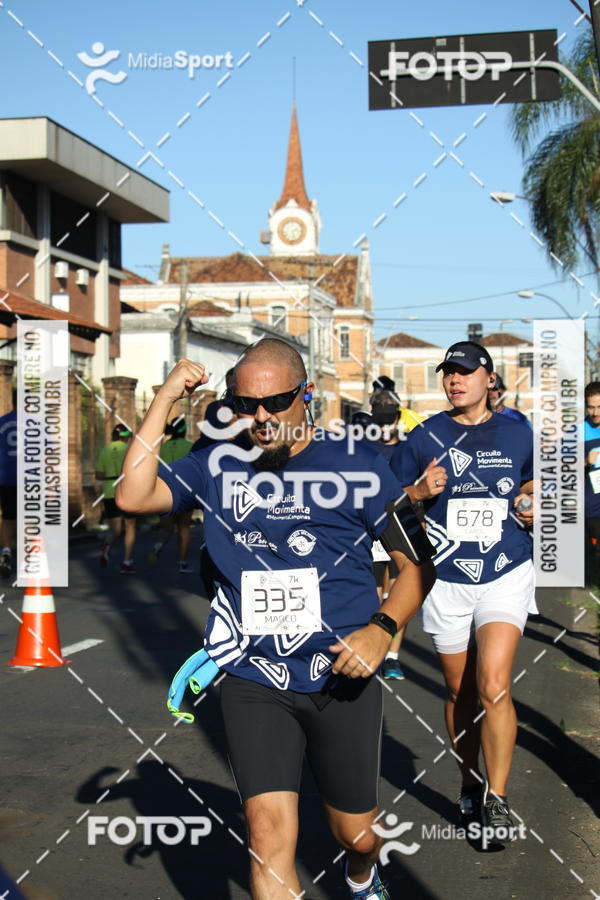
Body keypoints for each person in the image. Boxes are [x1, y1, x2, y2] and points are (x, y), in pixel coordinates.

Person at [116, 338, 435, 900]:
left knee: (358, 835)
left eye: (276, 402)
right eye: (246, 405)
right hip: (254, 676)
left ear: (305, 394)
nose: (261, 417)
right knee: (267, 835)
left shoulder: (360, 465)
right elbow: (133, 497)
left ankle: (362, 874)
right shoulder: (216, 464)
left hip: (340, 675)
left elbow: (416, 566)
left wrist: (381, 629)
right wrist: (165, 397)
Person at [392, 340, 535, 843]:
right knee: (460, 692)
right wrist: (417, 492)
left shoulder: (518, 431)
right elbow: (383, 502)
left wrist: (529, 502)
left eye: (465, 372)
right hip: (446, 579)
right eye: (448, 373)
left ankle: (498, 799)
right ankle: (470, 783)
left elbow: (535, 484)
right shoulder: (425, 435)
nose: (455, 380)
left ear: (489, 379)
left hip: (505, 570)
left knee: (493, 684)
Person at [369, 392, 408, 680]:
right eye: (379, 421)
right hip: (370, 527)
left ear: (398, 418)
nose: (384, 427)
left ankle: (392, 658)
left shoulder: (409, 448)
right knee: (372, 597)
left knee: (396, 595)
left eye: (389, 420)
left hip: (402, 525)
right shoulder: (362, 449)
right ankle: (374, 650)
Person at [148, 418, 195, 572]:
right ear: (184, 430)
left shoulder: (162, 448)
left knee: (165, 528)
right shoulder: (190, 446)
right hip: (185, 492)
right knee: (184, 529)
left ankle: (157, 546)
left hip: (166, 491)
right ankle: (183, 563)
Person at [96, 423, 137, 574]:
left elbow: (98, 475)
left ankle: (106, 545)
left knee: (115, 528)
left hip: (109, 491)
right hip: (127, 491)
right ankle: (126, 562)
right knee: (130, 527)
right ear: (126, 437)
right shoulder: (130, 449)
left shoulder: (105, 450)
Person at [582, 381, 600, 584]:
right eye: (591, 407)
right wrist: (586, 461)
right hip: (592, 508)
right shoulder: (578, 432)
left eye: (599, 407)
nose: (595, 413)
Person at [0, 393, 17, 578]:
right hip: (29, 479)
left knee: (8, 516)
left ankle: (6, 550)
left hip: (5, 478)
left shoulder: (2, 422)